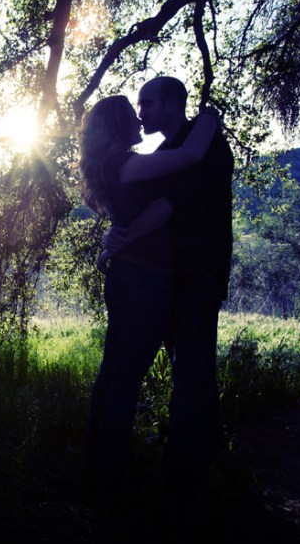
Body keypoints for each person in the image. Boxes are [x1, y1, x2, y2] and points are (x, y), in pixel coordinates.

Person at [78, 94, 219, 494]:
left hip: (127, 277)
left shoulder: (113, 164)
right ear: (120, 124)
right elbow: (191, 155)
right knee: (125, 378)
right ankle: (110, 476)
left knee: (113, 375)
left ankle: (96, 464)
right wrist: (210, 116)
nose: (140, 118)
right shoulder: (124, 163)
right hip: (143, 279)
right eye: (133, 113)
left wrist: (111, 244)